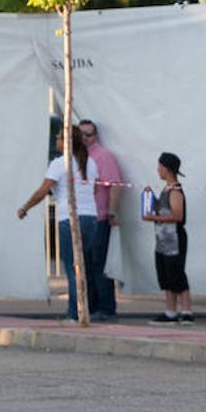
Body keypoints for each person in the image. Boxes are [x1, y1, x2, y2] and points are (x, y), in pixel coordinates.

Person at [16, 125, 100, 322]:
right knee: (83, 266)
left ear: (66, 141)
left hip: (69, 218)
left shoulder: (59, 163)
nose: (56, 141)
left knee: (72, 267)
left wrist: (25, 207)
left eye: (59, 138)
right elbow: (93, 190)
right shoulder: (90, 163)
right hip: (91, 217)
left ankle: (74, 313)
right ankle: (86, 310)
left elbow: (43, 191)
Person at [79, 119, 123, 320]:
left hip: (99, 216)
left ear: (95, 136)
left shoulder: (102, 156)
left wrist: (112, 211)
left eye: (88, 134)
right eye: (81, 134)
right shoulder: (77, 157)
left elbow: (115, 184)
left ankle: (106, 308)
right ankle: (92, 306)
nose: (84, 138)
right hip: (83, 217)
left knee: (99, 264)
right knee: (85, 264)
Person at [144, 152, 193, 325]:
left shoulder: (175, 191)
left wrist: (154, 218)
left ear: (166, 168)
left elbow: (177, 215)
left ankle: (186, 311)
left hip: (174, 239)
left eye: (159, 166)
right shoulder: (166, 190)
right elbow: (163, 209)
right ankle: (170, 311)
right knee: (165, 275)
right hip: (163, 239)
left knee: (177, 274)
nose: (158, 170)